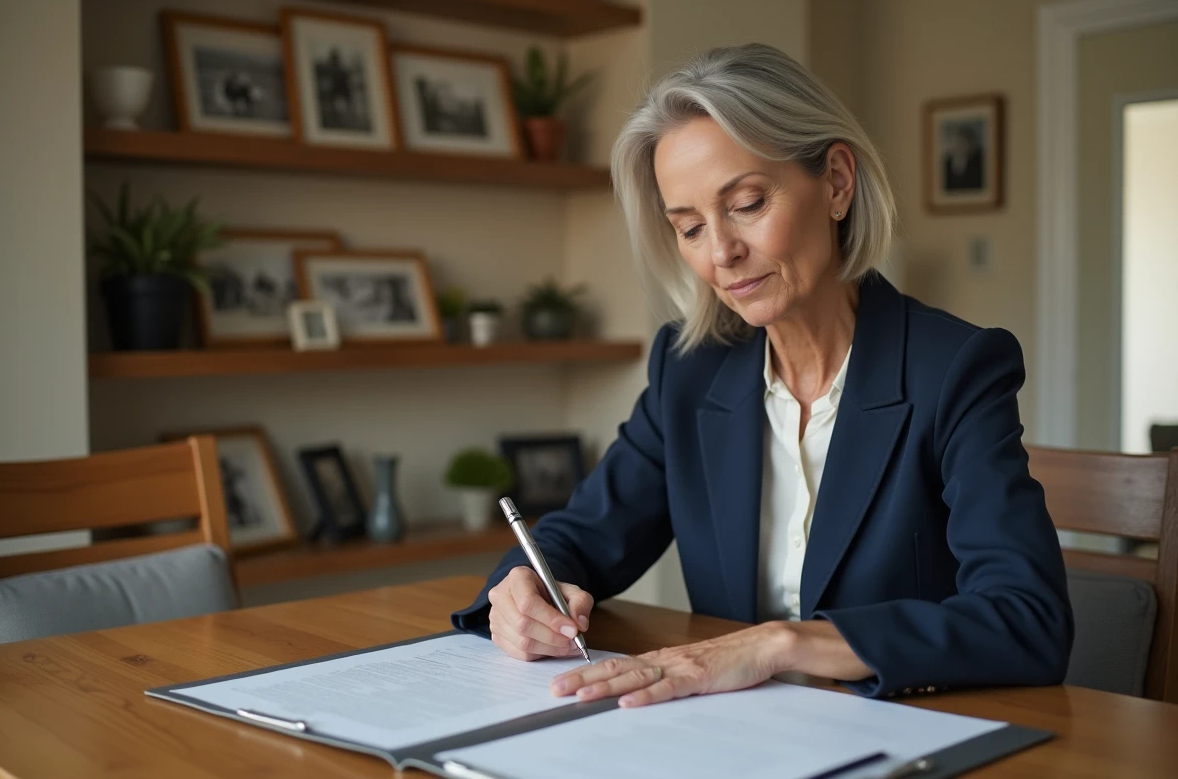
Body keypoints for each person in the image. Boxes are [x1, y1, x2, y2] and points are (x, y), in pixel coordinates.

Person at [451, 44, 1072, 708]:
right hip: (737, 738)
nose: (721, 253)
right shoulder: (688, 371)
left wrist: (780, 643)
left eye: (746, 203)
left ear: (836, 182)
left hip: (901, 734)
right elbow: (578, 539)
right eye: (689, 227)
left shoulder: (955, 369)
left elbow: (1028, 621)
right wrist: (521, 589)